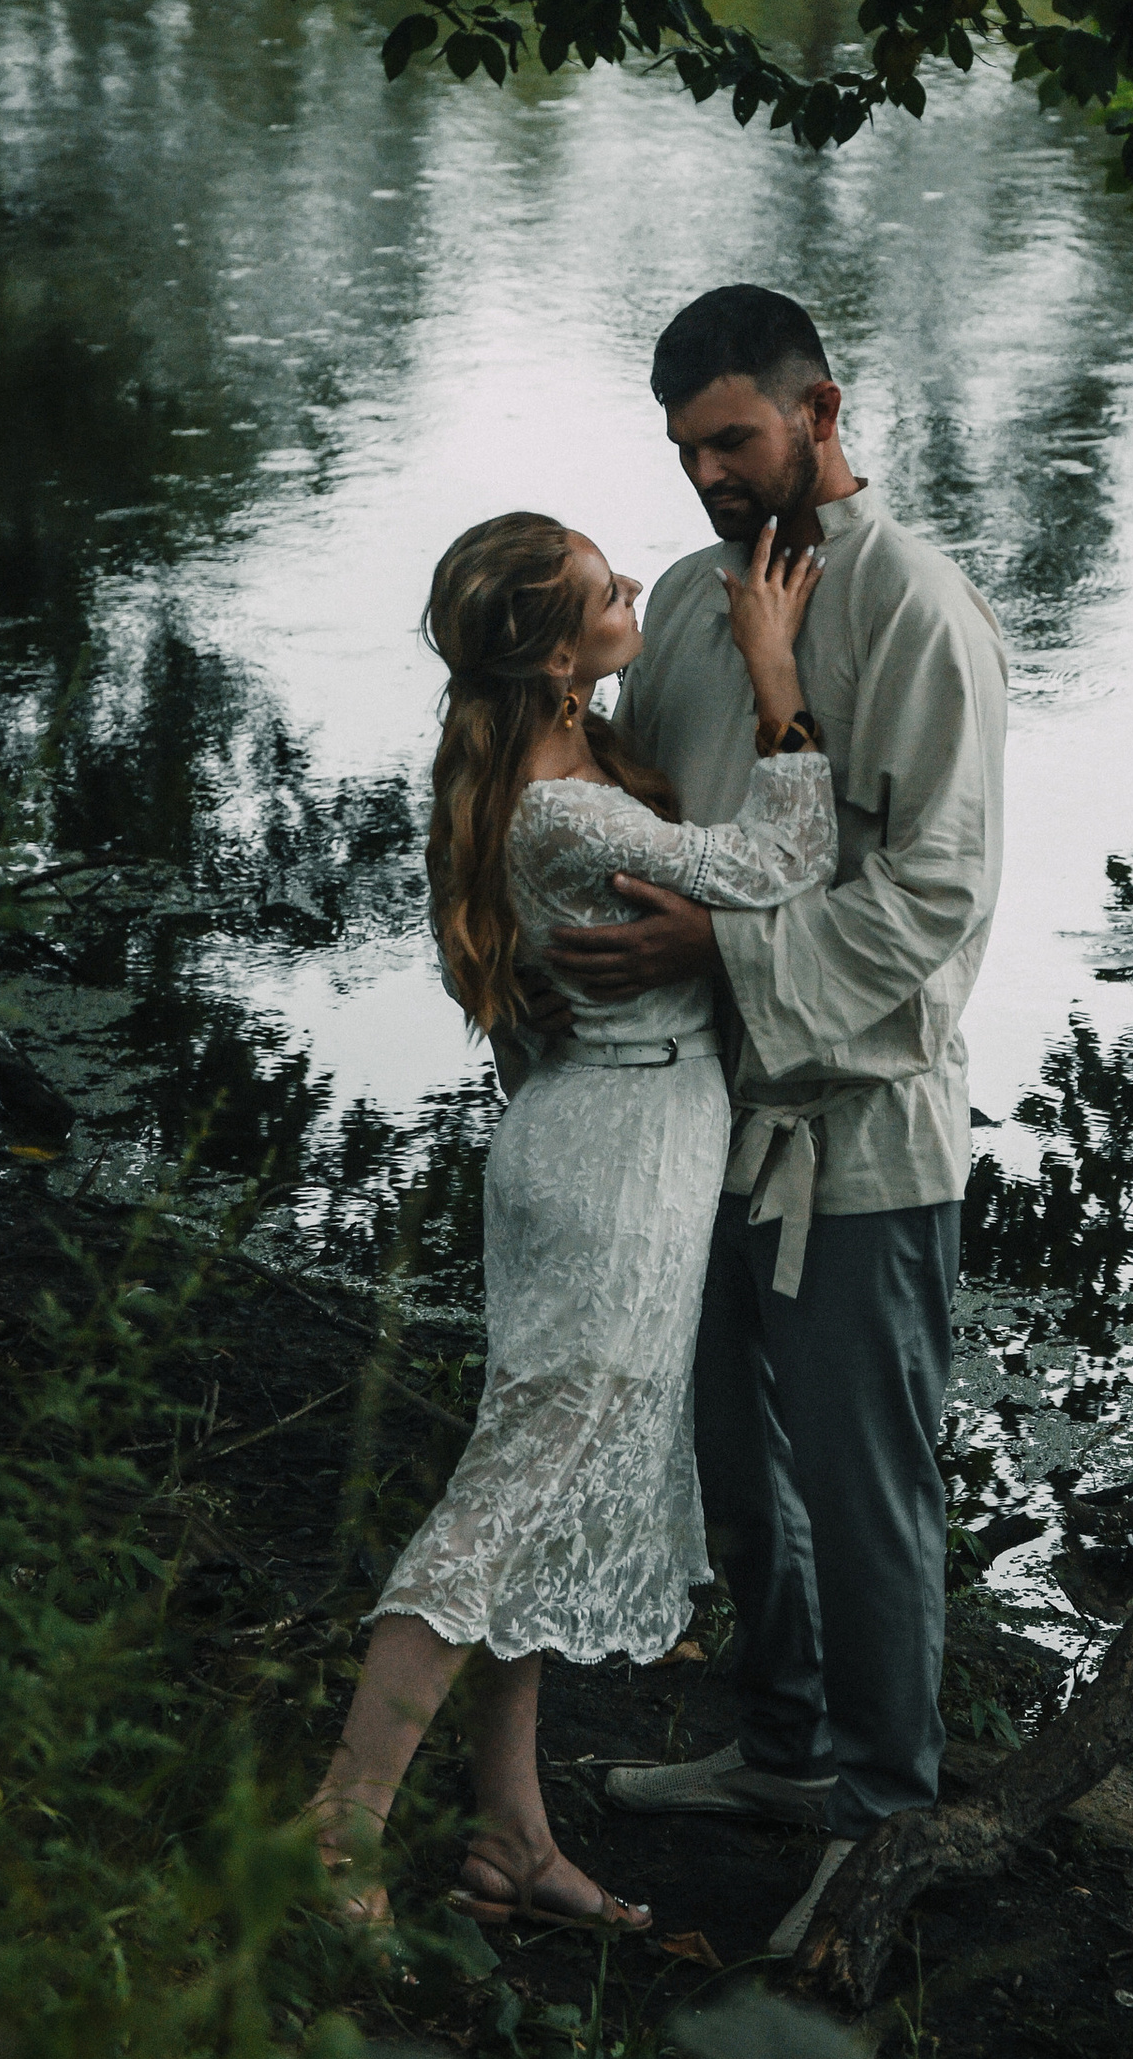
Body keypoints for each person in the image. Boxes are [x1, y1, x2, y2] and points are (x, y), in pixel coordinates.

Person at [550, 286, 1007, 1957]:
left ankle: (882, 1813)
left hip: (857, 1130)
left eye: (735, 440)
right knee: (739, 1465)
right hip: (692, 1114)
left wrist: (724, 954)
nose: (711, 478)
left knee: (865, 1483)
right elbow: (650, 815)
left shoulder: (915, 610)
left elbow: (938, 894)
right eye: (686, 451)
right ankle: (786, 1744)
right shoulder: (682, 602)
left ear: (824, 411)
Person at [304, 505, 834, 1933]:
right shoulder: (563, 804)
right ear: (551, 657)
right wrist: (777, 681)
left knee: (526, 1486)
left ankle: (512, 1838)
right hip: (619, 1157)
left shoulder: (553, 764)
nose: (628, 597)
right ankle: (339, 1820)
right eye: (603, 593)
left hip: (594, 1134)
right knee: (511, 1496)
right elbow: (786, 866)